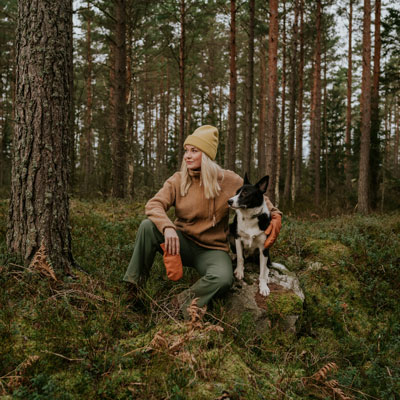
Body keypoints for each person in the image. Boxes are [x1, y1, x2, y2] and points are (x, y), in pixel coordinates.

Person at [123, 125, 282, 317]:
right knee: (147, 227)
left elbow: (257, 196)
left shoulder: (228, 179)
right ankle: (133, 292)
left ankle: (176, 306)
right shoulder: (177, 180)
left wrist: (275, 214)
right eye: (186, 151)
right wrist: (168, 228)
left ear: (206, 155)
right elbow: (153, 205)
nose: (187, 156)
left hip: (212, 250)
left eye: (194, 151)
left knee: (223, 278)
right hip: (181, 243)